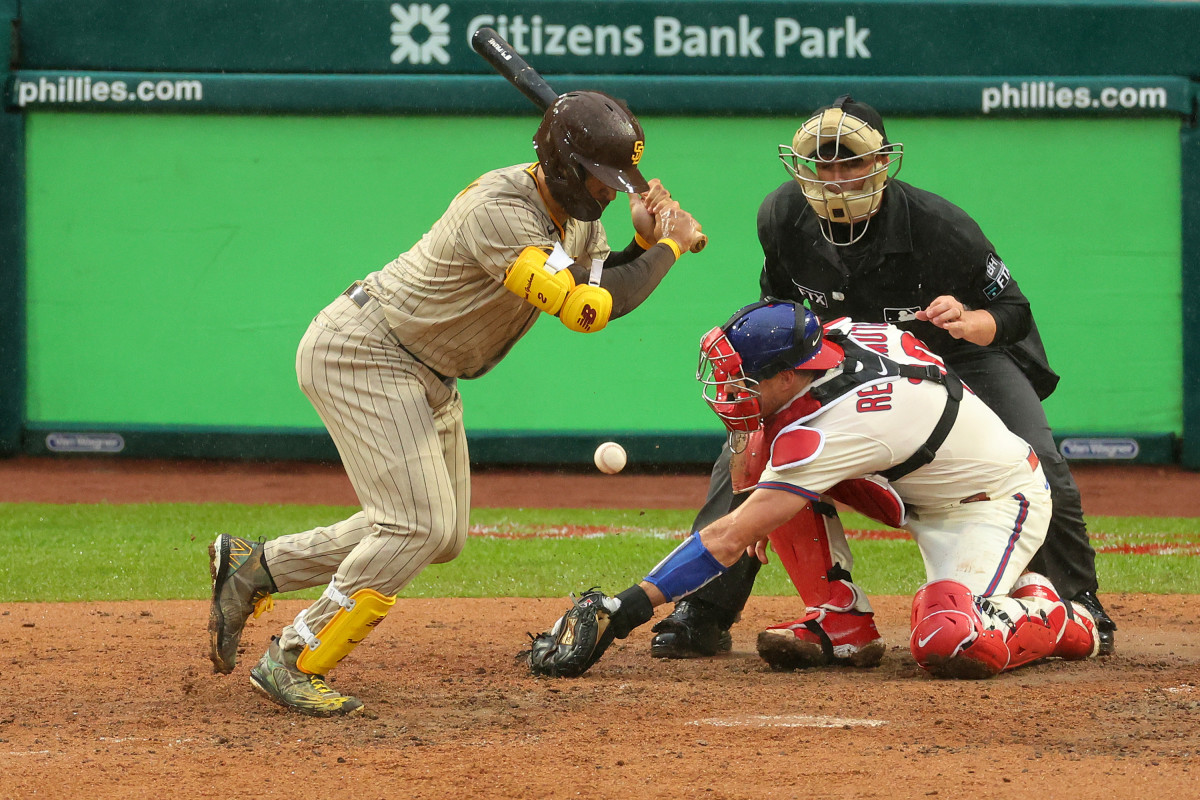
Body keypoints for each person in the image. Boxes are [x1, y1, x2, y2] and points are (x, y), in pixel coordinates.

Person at [206, 90, 704, 716]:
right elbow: (584, 311)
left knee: (439, 536)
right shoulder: (500, 211)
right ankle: (294, 657)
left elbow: (597, 283)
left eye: (616, 182)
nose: (608, 192)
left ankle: (256, 568)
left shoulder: (581, 220)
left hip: (429, 371)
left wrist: (641, 244)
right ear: (560, 164)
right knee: (416, 525)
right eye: (600, 179)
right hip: (367, 353)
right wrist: (672, 247)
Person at [649, 95, 1116, 664]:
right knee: (745, 450)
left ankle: (1078, 603)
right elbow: (781, 310)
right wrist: (757, 430)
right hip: (847, 359)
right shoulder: (782, 216)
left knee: (1039, 456)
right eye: (825, 167)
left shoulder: (940, 227)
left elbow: (1014, 312)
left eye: (852, 164)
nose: (838, 179)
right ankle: (703, 610)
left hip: (953, 358)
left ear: (881, 164)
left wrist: (969, 321)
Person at [526, 301, 1099, 680]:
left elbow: (729, 538)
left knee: (947, 640)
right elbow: (768, 437)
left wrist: (621, 610)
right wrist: (756, 470)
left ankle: (1058, 618)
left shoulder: (843, 423)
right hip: (912, 480)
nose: (729, 391)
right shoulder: (834, 340)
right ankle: (841, 622)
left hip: (993, 504)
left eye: (744, 381)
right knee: (776, 468)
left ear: (783, 376)